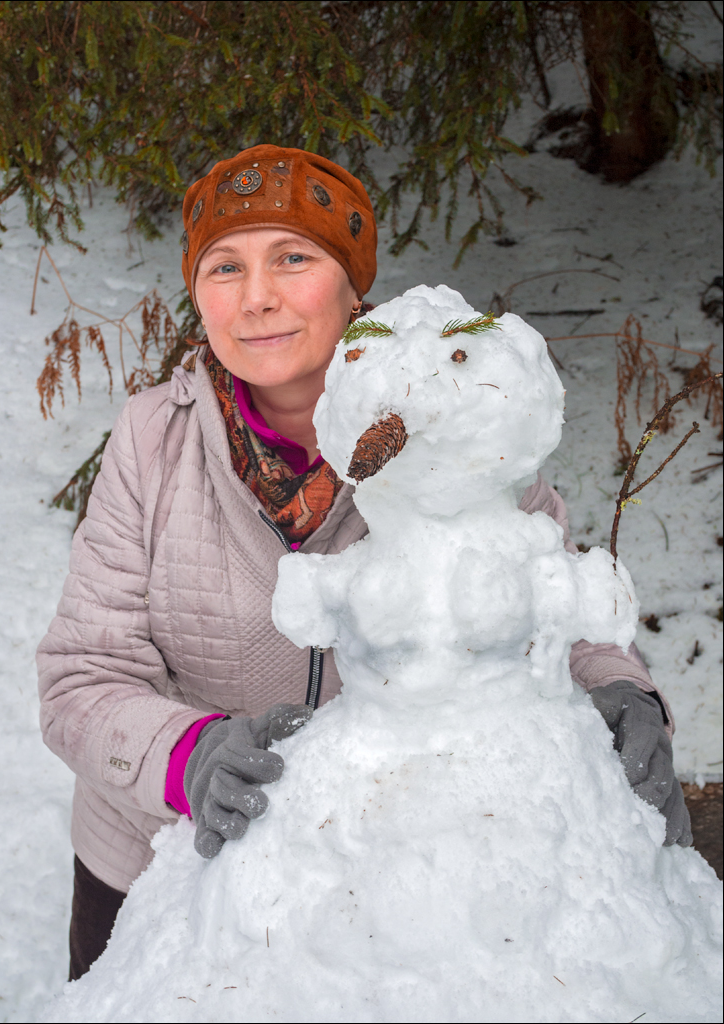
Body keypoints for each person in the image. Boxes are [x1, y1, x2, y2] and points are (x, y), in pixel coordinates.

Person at [37, 144, 691, 982]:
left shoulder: (461, 419)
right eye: (224, 267)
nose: (258, 297)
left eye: (293, 258)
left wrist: (627, 697)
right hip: (158, 862)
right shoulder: (151, 441)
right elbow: (80, 677)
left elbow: (547, 615)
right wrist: (185, 754)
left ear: (353, 286)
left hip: (369, 882)